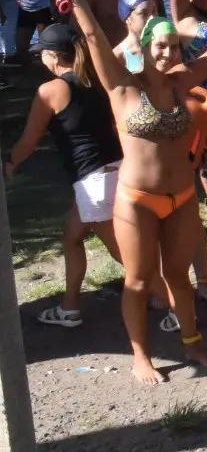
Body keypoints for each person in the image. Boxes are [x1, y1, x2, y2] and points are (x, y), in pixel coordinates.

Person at [38, 0, 207, 385]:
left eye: (173, 47)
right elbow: (91, 36)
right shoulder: (122, 87)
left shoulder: (182, 80)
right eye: (159, 47)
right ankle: (141, 356)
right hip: (137, 200)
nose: (167, 54)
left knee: (179, 280)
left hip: (181, 199)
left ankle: (192, 343)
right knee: (139, 282)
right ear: (143, 47)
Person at [4, 24, 124, 328]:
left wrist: (9, 162)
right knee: (71, 236)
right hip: (115, 170)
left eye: (41, 54)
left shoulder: (51, 90)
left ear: (51, 57)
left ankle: (176, 304)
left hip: (93, 181)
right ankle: (69, 308)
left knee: (125, 253)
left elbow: (29, 141)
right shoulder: (94, 79)